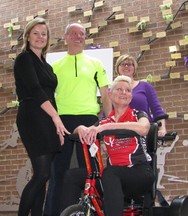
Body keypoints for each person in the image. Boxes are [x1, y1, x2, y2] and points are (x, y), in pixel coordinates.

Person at [44, 22, 111, 216]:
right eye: (73, 33)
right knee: (57, 172)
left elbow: (105, 96)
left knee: (91, 172)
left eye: (82, 34)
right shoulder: (53, 67)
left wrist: (107, 123)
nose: (78, 37)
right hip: (61, 122)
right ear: (65, 37)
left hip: (90, 122)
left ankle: (93, 212)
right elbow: (47, 98)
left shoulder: (96, 64)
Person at [62, 75, 155, 216]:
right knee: (72, 175)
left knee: (110, 172)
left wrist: (105, 127)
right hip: (112, 177)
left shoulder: (138, 115)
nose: (124, 93)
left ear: (131, 96)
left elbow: (144, 129)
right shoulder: (103, 123)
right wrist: (80, 128)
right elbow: (80, 131)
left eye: (128, 90)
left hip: (140, 174)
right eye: (119, 89)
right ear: (110, 95)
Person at [13, 17, 69, 216]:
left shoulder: (46, 65)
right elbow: (36, 90)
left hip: (47, 117)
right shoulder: (24, 59)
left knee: (42, 176)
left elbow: (50, 95)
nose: (40, 37)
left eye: (43, 34)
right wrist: (56, 118)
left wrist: (55, 121)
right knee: (43, 172)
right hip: (32, 117)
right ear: (27, 36)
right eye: (35, 33)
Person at [115, 54, 168, 136]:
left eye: (129, 64)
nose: (126, 66)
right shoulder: (112, 90)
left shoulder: (145, 86)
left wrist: (162, 129)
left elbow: (157, 109)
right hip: (120, 135)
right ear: (117, 69)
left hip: (144, 133)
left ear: (134, 68)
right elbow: (107, 115)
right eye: (122, 64)